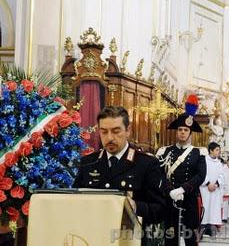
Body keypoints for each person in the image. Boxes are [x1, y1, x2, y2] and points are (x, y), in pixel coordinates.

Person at [73, 106, 166, 244]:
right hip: (94, 237)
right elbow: (75, 202)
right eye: (104, 132)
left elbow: (160, 210)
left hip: (130, 239)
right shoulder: (89, 162)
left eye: (116, 131)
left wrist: (134, 207)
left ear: (127, 130)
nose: (109, 138)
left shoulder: (146, 163)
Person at [156, 95, 207, 246]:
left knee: (191, 239)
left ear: (190, 133)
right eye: (180, 130)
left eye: (185, 130)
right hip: (169, 200)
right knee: (170, 239)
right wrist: (170, 190)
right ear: (176, 132)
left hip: (190, 201)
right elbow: (159, 174)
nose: (182, 132)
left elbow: (200, 176)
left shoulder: (199, 153)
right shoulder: (164, 152)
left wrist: (183, 189)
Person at [199, 142, 224, 237]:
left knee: (213, 208)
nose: (219, 152)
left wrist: (216, 184)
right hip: (205, 189)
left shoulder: (219, 163)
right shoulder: (203, 161)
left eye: (219, 150)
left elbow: (222, 175)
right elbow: (201, 173)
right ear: (211, 151)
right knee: (205, 207)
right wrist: (208, 183)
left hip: (215, 190)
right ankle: (201, 228)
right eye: (217, 150)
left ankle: (209, 227)